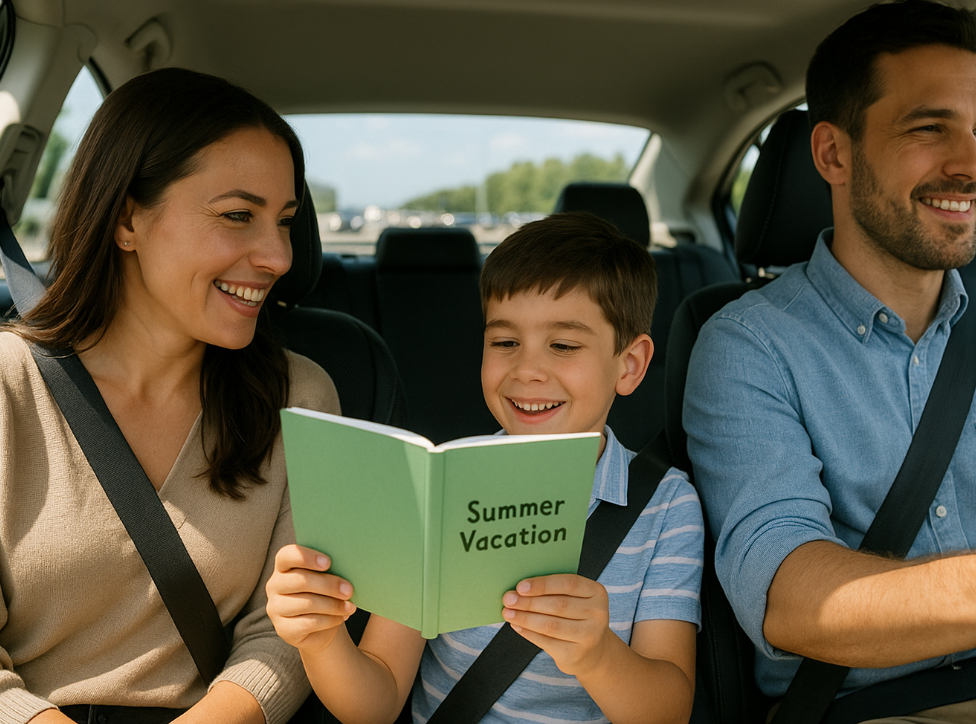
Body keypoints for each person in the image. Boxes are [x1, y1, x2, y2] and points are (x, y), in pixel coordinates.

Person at [683, 1, 976, 722]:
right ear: (832, 154)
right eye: (928, 129)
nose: (972, 165)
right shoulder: (745, 345)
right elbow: (787, 591)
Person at [265, 212, 704, 724]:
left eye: (563, 345)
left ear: (629, 365)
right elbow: (376, 704)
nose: (526, 370)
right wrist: (320, 639)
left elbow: (668, 712)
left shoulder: (666, 506)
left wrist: (596, 654)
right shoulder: (440, 491)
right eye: (504, 342)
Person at [0, 68, 340, 724]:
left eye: (285, 222)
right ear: (127, 218)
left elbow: (288, 633)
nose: (277, 256)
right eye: (237, 216)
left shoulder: (299, 395)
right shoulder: (9, 385)